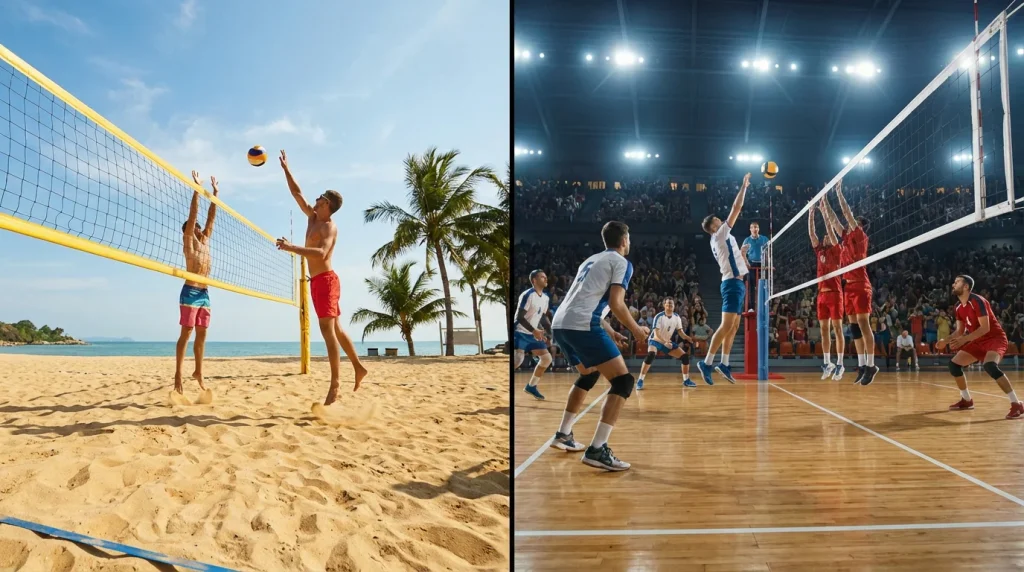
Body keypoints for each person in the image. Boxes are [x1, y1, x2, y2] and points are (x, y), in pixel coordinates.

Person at [548, 221, 650, 471]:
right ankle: (597, 450)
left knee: (588, 374)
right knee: (623, 382)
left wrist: (612, 330)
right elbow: (616, 303)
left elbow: (585, 301)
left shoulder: (591, 260)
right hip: (582, 324)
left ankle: (563, 434)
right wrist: (636, 330)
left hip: (561, 323)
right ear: (624, 240)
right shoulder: (622, 262)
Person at [274, 150, 368, 406]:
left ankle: (335, 384)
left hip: (326, 280)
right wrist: (285, 168)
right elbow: (297, 193)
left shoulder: (329, 227)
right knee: (336, 328)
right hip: (317, 281)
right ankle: (358, 367)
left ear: (327, 204)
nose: (315, 199)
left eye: (321, 198)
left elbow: (322, 252)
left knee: (327, 331)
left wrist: (292, 247)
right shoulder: (312, 218)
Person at [939, 275, 1021, 419]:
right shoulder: (958, 307)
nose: (953, 284)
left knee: (990, 366)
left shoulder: (978, 301)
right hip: (977, 340)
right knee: (954, 365)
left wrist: (964, 340)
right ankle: (966, 400)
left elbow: (985, 328)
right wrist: (945, 341)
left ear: (966, 287)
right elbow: (959, 331)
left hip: (994, 338)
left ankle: (1017, 404)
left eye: (957, 282)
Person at [696, 172, 752, 385]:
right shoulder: (719, 234)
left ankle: (724, 364)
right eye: (719, 220)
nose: (722, 220)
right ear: (713, 226)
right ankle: (707, 363)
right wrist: (744, 187)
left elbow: (732, 258)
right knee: (725, 325)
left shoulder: (722, 238)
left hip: (737, 282)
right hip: (731, 284)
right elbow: (736, 208)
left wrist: (743, 254)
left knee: (734, 326)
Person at [823, 180, 879, 385]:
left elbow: (846, 213)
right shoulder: (846, 237)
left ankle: (872, 365)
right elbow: (835, 220)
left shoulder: (860, 236)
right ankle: (863, 365)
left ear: (860, 225)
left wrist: (838, 193)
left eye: (854, 222)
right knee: (854, 328)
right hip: (848, 286)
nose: (848, 224)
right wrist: (824, 203)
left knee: (864, 324)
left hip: (861, 284)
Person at [176, 170, 218, 396]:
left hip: (205, 293)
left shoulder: (204, 241)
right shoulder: (188, 242)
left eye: (199, 228)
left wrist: (215, 194)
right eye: (193, 227)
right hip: (190, 292)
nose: (198, 229)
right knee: (187, 332)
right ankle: (178, 374)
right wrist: (197, 189)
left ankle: (198, 372)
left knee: (202, 334)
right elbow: (193, 216)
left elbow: (211, 218)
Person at [808, 199, 846, 381]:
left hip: (835, 294)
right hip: (821, 295)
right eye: (823, 237)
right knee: (824, 330)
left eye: (827, 237)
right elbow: (812, 234)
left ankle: (840, 363)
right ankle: (827, 362)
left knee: (837, 329)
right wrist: (810, 213)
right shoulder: (819, 251)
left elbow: (830, 231)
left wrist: (823, 211)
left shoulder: (837, 250)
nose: (824, 237)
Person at [636, 298, 697, 390]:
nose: (670, 306)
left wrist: (687, 337)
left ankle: (686, 380)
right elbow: (656, 335)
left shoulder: (677, 317)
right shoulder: (659, 316)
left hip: (667, 341)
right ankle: (640, 380)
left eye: (671, 304)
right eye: (668, 304)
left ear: (674, 306)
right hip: (655, 340)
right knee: (651, 354)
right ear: (664, 305)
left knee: (684, 357)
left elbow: (680, 332)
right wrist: (665, 342)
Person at [515, 270, 553, 400]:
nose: (545, 279)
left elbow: (542, 317)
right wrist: (534, 331)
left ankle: (531, 386)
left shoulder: (546, 297)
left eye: (546, 277)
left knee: (547, 359)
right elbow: (519, 317)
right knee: (517, 360)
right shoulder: (528, 295)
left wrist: (548, 333)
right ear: (534, 280)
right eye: (542, 277)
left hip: (533, 333)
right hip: (520, 331)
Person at [741, 221, 769, 311]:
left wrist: (769, 264)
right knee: (750, 285)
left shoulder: (764, 239)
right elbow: (743, 253)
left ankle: (767, 306)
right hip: (751, 264)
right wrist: (746, 263)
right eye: (753, 227)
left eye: (756, 227)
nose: (755, 229)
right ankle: (751, 307)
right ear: (750, 229)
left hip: (763, 264)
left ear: (758, 229)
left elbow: (768, 253)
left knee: (766, 284)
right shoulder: (747, 240)